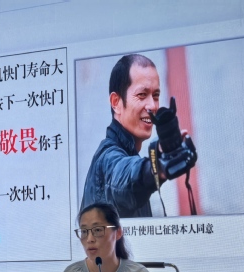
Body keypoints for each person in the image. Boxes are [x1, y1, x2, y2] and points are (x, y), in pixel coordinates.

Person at [80, 53, 196, 218]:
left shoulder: (129, 154)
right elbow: (125, 176)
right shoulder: (107, 158)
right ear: (116, 103)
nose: (152, 106)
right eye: (142, 95)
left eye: (155, 96)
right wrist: (157, 166)